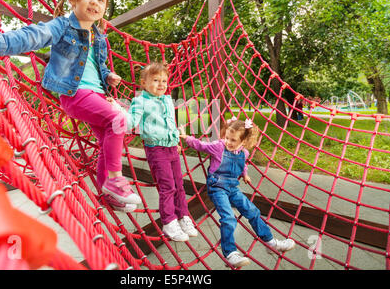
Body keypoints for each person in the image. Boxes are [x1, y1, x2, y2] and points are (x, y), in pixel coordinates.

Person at [0, 0, 141, 212]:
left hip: (98, 95)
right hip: (75, 94)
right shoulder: (62, 26)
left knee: (108, 138)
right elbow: (33, 36)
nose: (94, 2)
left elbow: (97, 66)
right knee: (119, 120)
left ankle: (108, 193)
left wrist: (108, 75)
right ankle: (114, 181)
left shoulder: (100, 38)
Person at [179, 117, 295, 267]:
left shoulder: (244, 153)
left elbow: (242, 163)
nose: (228, 142)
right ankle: (230, 254)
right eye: (227, 137)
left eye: (233, 140)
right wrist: (187, 137)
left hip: (233, 187)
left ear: (243, 142)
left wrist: (245, 174)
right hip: (217, 187)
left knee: (253, 211)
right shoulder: (219, 147)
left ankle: (270, 243)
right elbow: (201, 145)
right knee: (228, 218)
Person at [110, 62, 198, 241]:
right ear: (143, 83)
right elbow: (130, 122)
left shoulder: (166, 99)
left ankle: (183, 216)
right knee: (168, 186)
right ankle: (169, 222)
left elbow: (169, 122)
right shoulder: (140, 101)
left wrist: (175, 140)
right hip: (156, 150)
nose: (161, 84)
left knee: (179, 185)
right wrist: (117, 108)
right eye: (156, 80)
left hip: (172, 147)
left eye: (164, 81)